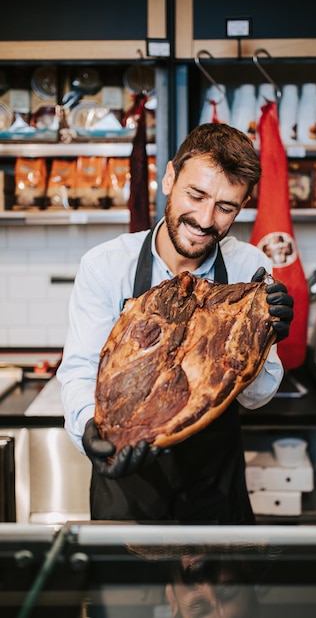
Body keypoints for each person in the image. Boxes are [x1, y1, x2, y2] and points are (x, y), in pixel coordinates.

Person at [57, 122, 294, 524]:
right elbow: (81, 371)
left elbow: (255, 397)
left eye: (226, 207)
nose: (205, 219)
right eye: (196, 195)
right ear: (169, 177)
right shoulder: (106, 266)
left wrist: (262, 338)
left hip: (213, 490)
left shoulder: (248, 266)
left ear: (243, 205)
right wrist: (91, 430)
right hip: (127, 483)